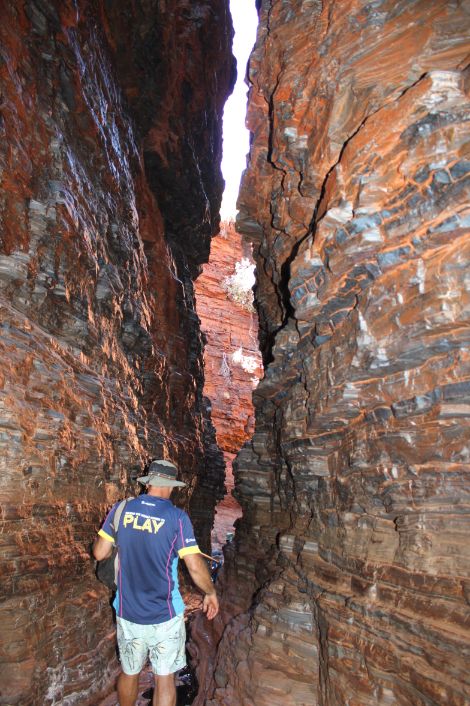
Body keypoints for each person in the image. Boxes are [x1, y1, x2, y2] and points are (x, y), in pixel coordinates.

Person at [93, 459, 219, 706]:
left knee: (130, 671)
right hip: (165, 614)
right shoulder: (177, 518)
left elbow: (99, 553)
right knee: (164, 678)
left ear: (149, 482)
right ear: (171, 485)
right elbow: (193, 565)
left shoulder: (121, 509)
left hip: (127, 611)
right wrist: (210, 592)